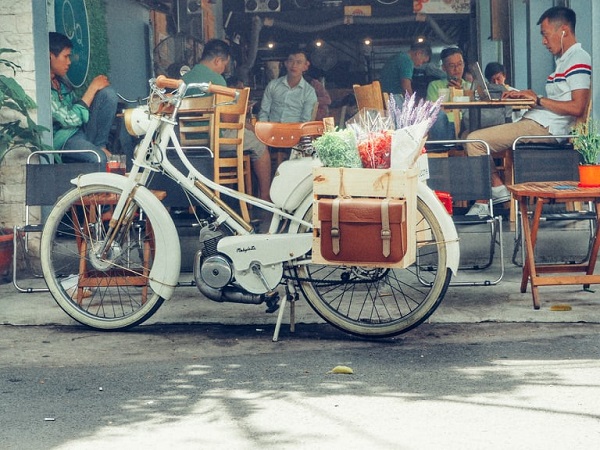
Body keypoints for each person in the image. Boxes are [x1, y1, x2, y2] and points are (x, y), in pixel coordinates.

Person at [465, 6, 591, 216]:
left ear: (564, 30)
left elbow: (578, 107)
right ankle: (493, 192)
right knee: (472, 138)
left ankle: (491, 195)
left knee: (474, 141)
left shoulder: (578, 59)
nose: (543, 41)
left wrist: (538, 99)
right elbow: (560, 99)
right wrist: (530, 97)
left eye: (545, 34)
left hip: (546, 128)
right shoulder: (564, 61)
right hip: (537, 122)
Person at [183, 39, 272, 201]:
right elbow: (228, 119)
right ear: (217, 61)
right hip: (214, 140)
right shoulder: (217, 80)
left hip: (187, 140)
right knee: (259, 144)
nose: (224, 69)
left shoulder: (184, 79)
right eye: (224, 64)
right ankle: (265, 197)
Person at [49, 32, 118, 164]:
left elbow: (78, 112)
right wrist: (92, 89)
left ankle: (100, 145)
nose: (69, 62)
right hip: (64, 140)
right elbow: (69, 119)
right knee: (99, 158)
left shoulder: (61, 83)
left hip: (80, 131)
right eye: (66, 56)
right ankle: (97, 152)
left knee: (107, 94)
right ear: (50, 56)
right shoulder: (43, 88)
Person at [258, 49, 318, 123]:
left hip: (295, 132)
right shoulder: (273, 85)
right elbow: (264, 112)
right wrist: (264, 129)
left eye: (299, 62)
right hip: (271, 130)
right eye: (291, 61)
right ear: (286, 63)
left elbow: (305, 121)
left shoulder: (309, 92)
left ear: (305, 66)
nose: (294, 65)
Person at [426, 47, 471, 140]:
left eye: (460, 64)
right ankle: (442, 149)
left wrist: (460, 92)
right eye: (451, 66)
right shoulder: (435, 86)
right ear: (444, 68)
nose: (457, 69)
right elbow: (432, 111)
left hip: (467, 125)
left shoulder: (469, 87)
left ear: (464, 65)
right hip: (445, 126)